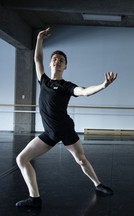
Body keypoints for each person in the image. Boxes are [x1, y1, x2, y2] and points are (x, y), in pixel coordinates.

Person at [16, 27, 117, 208]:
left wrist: (103, 85)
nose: (57, 61)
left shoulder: (66, 86)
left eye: (61, 60)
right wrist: (39, 38)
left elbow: (85, 92)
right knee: (21, 159)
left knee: (81, 160)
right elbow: (37, 59)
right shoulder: (44, 80)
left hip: (66, 129)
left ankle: (98, 184)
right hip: (49, 133)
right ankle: (35, 199)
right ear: (50, 63)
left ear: (65, 66)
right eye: (54, 59)